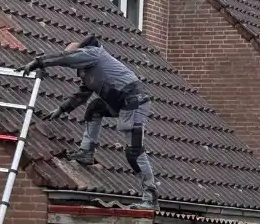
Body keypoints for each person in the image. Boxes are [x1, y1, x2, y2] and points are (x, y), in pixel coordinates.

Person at [21, 36, 159, 210]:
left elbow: (65, 58)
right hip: (120, 102)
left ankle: (150, 197)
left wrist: (38, 62)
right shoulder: (88, 71)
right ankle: (86, 152)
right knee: (95, 108)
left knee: (134, 151)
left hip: (134, 101)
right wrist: (62, 109)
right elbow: (82, 95)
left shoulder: (93, 54)